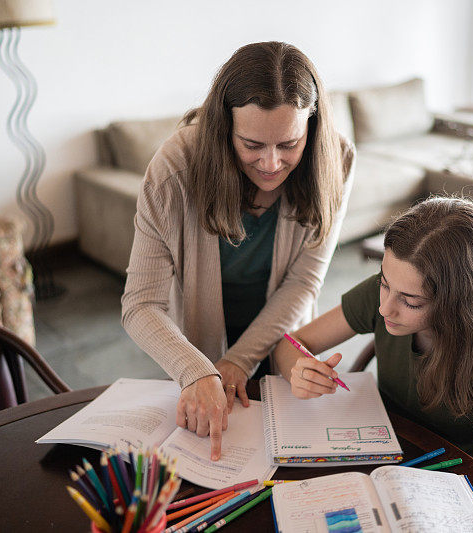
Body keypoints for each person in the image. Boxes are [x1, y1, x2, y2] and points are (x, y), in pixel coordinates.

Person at [121, 41, 355, 461]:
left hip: (284, 338)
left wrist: (240, 361)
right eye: (251, 145)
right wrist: (199, 370)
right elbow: (141, 304)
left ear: (312, 127)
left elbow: (305, 281)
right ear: (223, 127)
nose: (270, 164)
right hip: (199, 344)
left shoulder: (336, 160)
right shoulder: (173, 170)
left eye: (289, 144)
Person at [273, 196, 473, 481]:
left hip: (453, 481)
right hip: (379, 458)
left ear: (461, 304)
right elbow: (289, 344)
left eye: (412, 302)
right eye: (384, 283)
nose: (385, 308)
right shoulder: (383, 295)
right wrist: (300, 370)